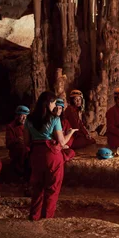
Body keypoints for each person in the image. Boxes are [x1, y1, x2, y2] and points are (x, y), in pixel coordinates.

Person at [24, 91, 78, 221]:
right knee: (52, 189)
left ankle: (34, 217)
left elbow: (26, 142)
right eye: (54, 103)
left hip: (36, 155)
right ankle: (47, 219)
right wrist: (70, 133)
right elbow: (62, 142)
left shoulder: (29, 119)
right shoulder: (54, 118)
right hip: (52, 155)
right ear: (49, 103)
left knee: (37, 188)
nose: (55, 106)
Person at [6, 105, 30, 175]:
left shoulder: (28, 125)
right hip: (18, 151)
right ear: (17, 116)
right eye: (22, 116)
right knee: (23, 149)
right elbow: (8, 144)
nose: (24, 118)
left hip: (29, 148)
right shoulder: (11, 127)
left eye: (26, 116)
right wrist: (17, 140)